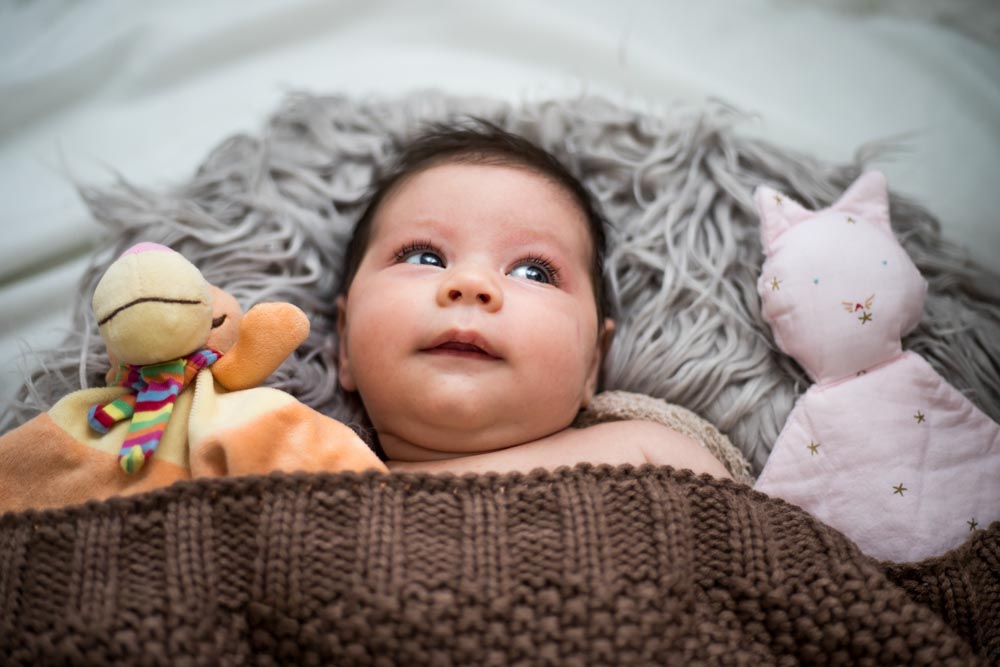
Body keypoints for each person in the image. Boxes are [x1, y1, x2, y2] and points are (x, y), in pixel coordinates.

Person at [335, 120, 731, 479]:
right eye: (424, 257)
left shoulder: (647, 456)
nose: (472, 283)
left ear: (592, 362)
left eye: (532, 273)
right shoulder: (305, 479)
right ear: (344, 343)